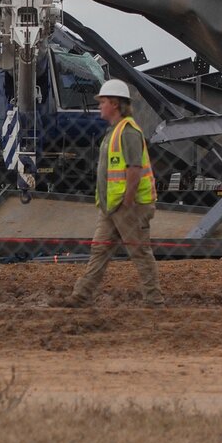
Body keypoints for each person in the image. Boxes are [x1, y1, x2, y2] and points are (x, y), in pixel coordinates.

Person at [62, 78, 164, 307]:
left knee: (139, 253)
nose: (99, 105)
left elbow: (134, 169)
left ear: (115, 104)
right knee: (99, 250)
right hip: (112, 205)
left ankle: (155, 302)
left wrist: (127, 202)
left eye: (103, 101)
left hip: (129, 206)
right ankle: (80, 296)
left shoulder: (128, 132)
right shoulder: (114, 132)